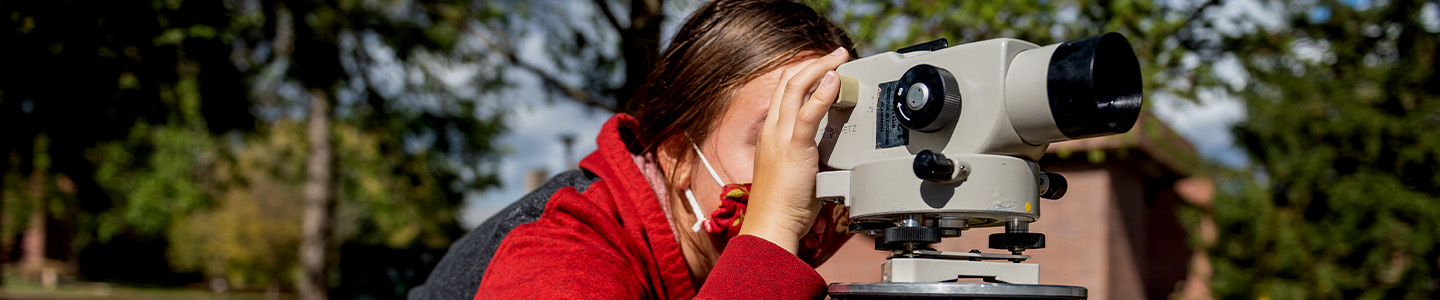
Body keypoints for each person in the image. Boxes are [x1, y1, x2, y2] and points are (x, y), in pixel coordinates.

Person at [409, 0, 856, 298]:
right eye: (774, 141)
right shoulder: (555, 258)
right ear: (678, 156)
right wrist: (772, 228)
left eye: (829, 141)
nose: (805, 174)